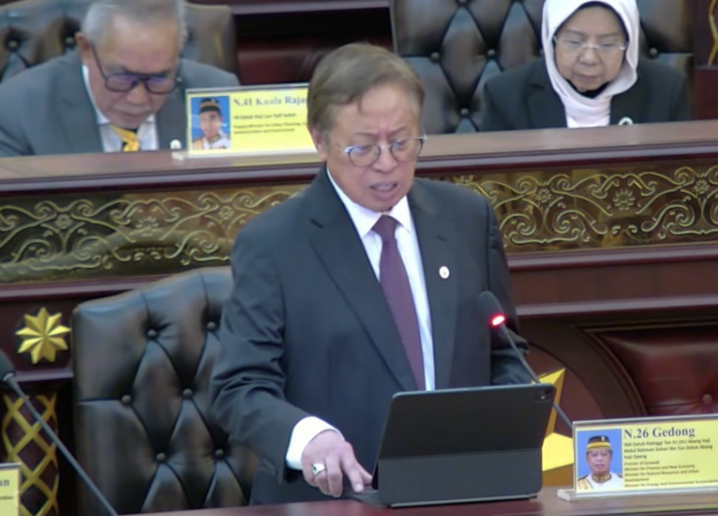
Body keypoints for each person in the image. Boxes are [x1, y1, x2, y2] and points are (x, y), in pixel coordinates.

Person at [210, 42, 532, 505]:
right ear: (319, 140)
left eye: (401, 142)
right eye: (362, 148)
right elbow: (239, 387)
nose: (386, 163)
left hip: (461, 494)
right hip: (333, 500)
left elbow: (504, 352)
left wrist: (505, 420)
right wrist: (308, 438)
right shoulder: (273, 244)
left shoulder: (467, 219)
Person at [0, 0, 239, 157]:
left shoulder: (218, 94)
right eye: (123, 78)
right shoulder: (15, 111)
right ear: (86, 49)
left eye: (158, 78)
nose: (138, 99)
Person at [481, 0, 691, 131]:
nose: (589, 58)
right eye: (574, 42)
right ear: (551, 39)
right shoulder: (505, 96)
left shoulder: (666, 91)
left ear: (629, 43)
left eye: (607, 44)